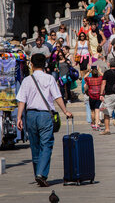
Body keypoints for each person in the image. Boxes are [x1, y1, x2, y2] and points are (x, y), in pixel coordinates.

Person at [16, 53, 72, 187]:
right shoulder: (49, 79)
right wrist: (65, 111)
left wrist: (19, 117)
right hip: (45, 115)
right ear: (44, 64)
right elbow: (57, 96)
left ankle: (38, 173)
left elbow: (22, 101)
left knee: (35, 146)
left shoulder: (27, 80)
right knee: (46, 145)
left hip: (30, 115)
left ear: (32, 65)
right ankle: (41, 174)